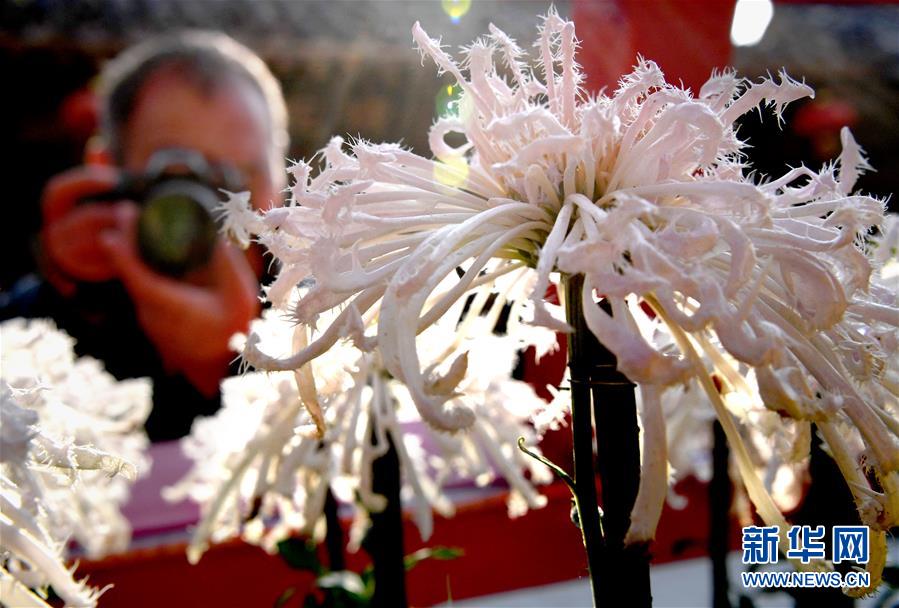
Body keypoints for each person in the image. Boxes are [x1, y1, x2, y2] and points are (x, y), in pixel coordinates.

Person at [1, 31, 288, 440]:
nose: (217, 209)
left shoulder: (333, 327)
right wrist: (64, 301)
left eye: (241, 178)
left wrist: (228, 363)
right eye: (178, 174)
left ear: (278, 189)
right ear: (105, 172)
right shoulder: (25, 344)